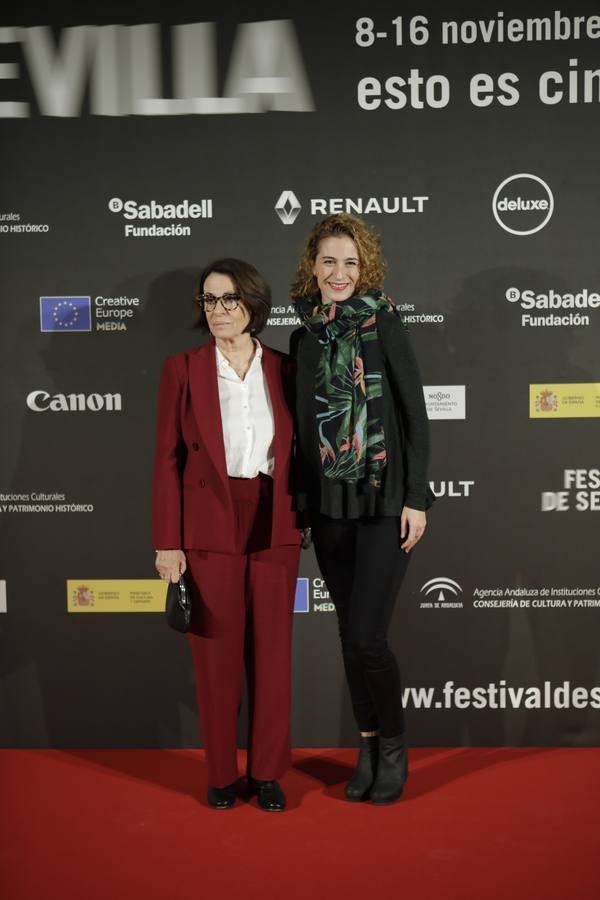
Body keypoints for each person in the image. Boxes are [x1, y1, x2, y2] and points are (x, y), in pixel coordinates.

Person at [289, 214, 432, 805]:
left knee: (369, 637)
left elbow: (415, 417)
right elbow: (299, 427)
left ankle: (394, 748)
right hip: (328, 507)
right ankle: (367, 745)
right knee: (350, 635)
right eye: (329, 261)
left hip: (382, 501)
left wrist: (416, 500)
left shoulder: (384, 325)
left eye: (350, 262)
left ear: (364, 267)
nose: (339, 272)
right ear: (313, 267)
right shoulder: (303, 337)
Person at [153, 258, 301, 811]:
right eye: (209, 300)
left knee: (272, 654)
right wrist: (168, 541)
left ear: (254, 305)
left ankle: (266, 773)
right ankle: (219, 773)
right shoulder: (183, 370)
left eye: (229, 299)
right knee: (215, 658)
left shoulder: (284, 369)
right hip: (207, 524)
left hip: (274, 518)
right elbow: (166, 460)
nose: (218, 311)